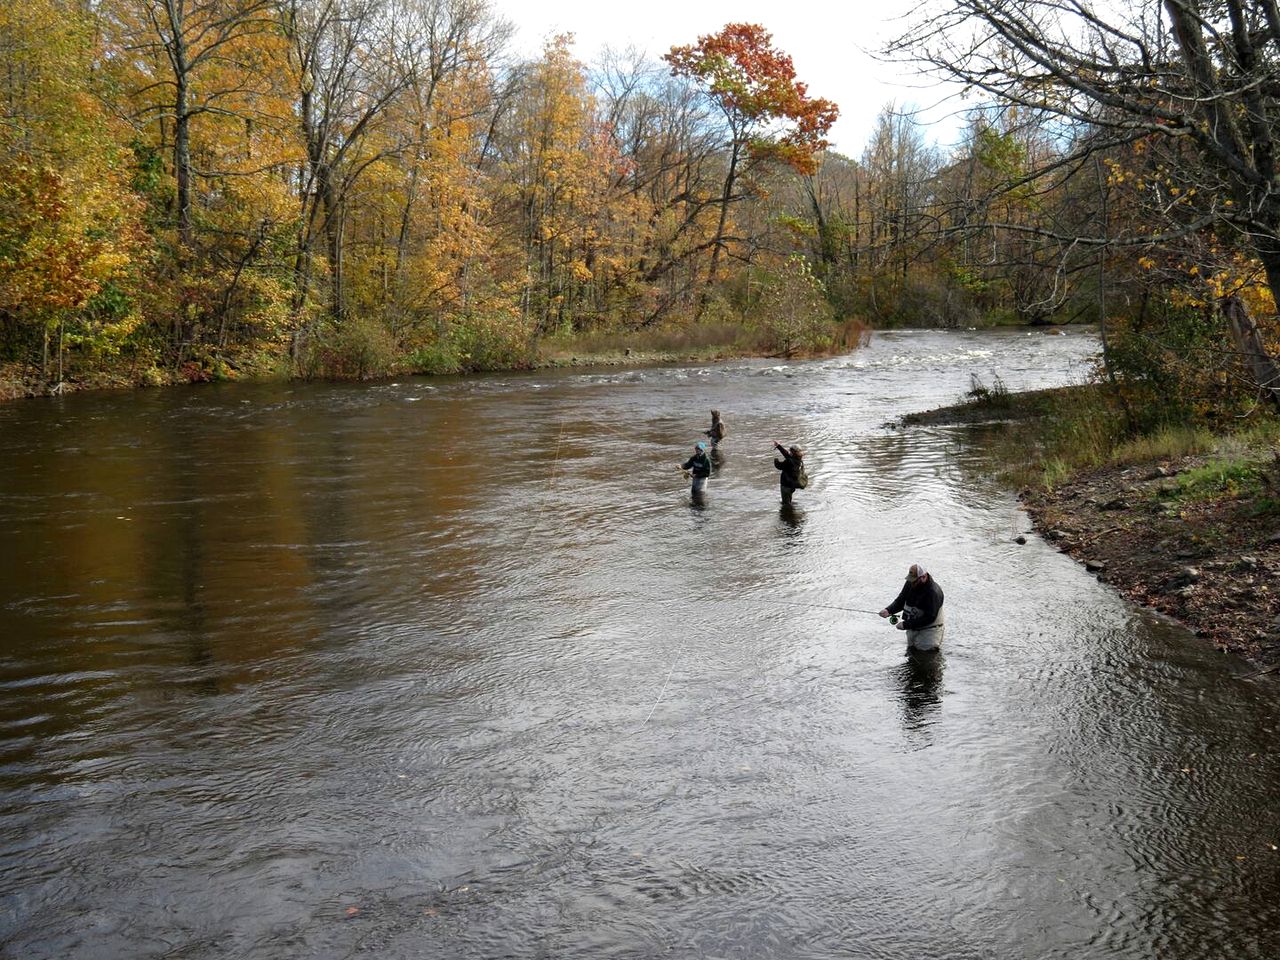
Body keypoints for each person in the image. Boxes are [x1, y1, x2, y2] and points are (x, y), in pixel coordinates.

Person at [879, 564, 945, 652]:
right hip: (913, 626)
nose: (912, 583)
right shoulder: (910, 582)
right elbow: (901, 600)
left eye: (914, 580)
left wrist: (906, 625)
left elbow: (930, 618)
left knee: (926, 657)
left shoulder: (933, 593)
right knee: (912, 653)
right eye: (911, 580)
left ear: (923, 577)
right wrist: (889, 610)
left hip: (930, 631)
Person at [773, 441, 805, 505]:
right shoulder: (798, 460)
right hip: (792, 485)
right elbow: (786, 455)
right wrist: (779, 446)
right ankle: (791, 511)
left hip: (786, 486)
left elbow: (779, 466)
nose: (789, 452)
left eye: (790, 451)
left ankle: (788, 513)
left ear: (793, 452)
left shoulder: (789, 461)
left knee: (785, 504)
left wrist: (776, 460)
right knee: (789, 500)